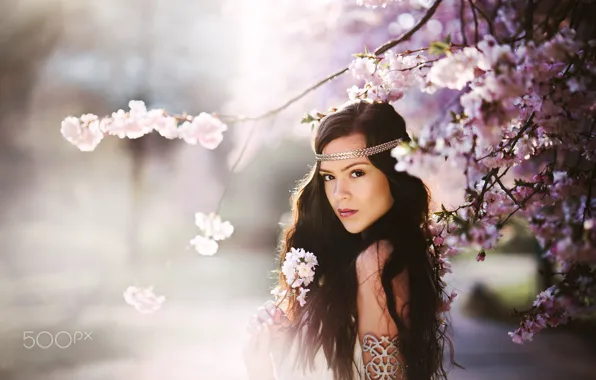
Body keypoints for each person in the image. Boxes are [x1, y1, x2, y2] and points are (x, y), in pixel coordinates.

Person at [243, 100, 454, 380]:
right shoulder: (367, 257)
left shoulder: (377, 261)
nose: (340, 192)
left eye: (357, 173)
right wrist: (285, 346)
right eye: (329, 177)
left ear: (394, 174)